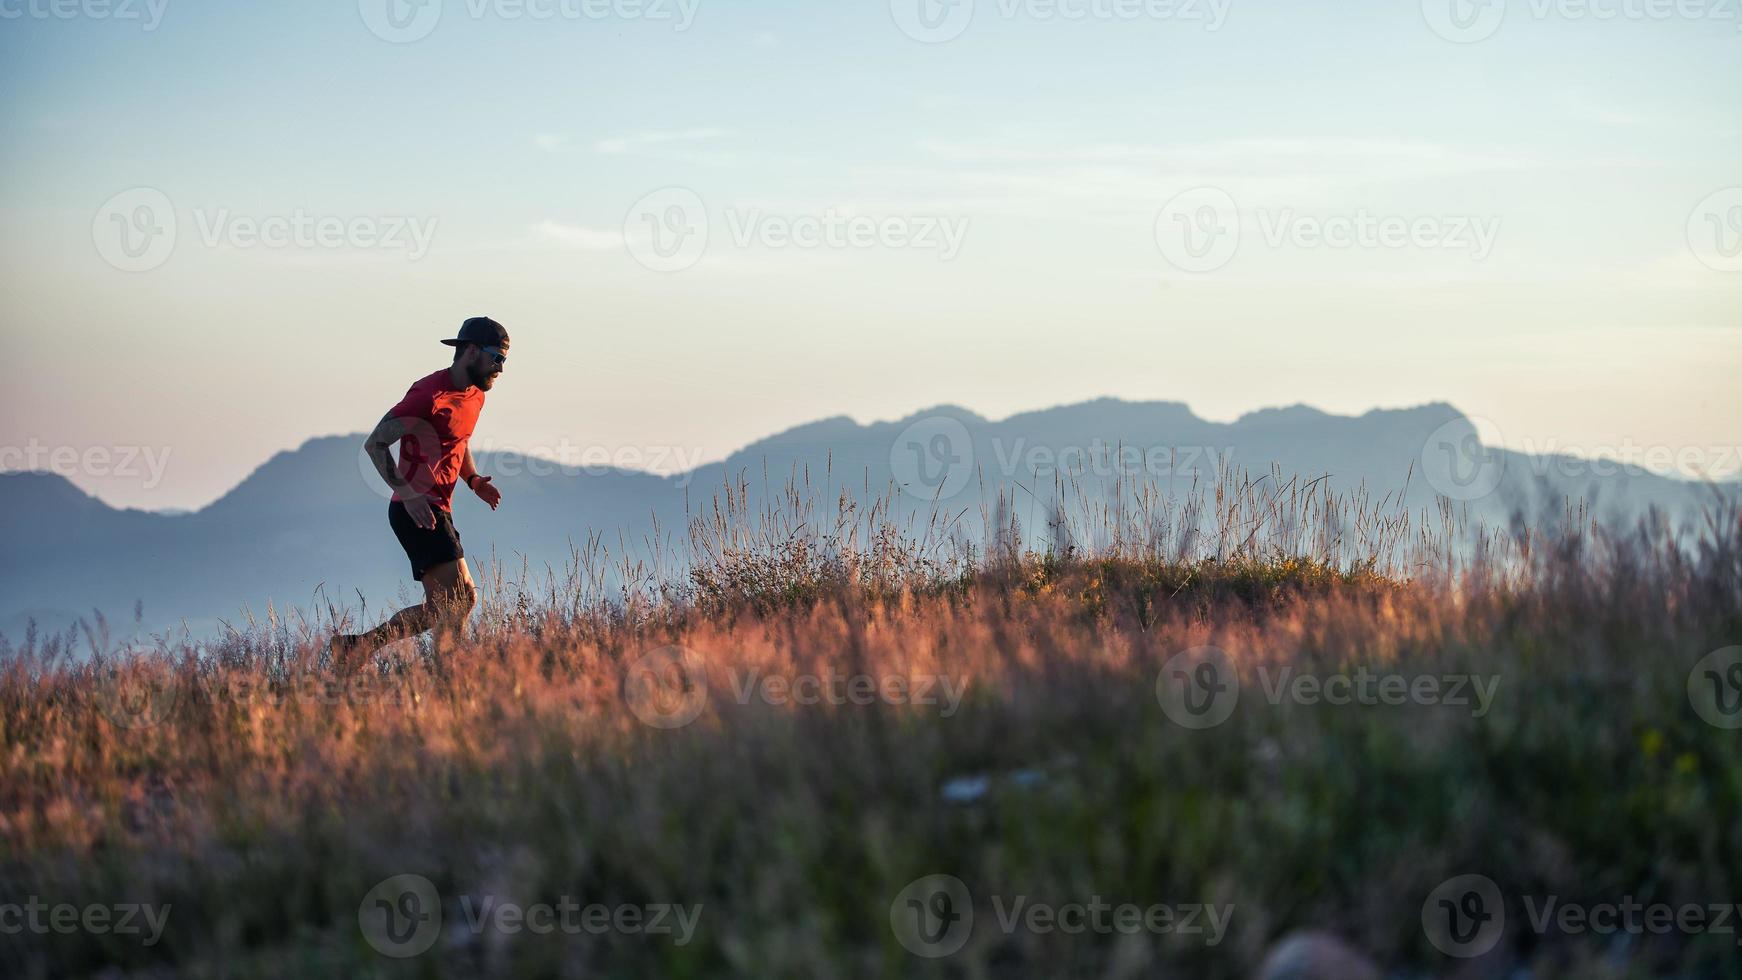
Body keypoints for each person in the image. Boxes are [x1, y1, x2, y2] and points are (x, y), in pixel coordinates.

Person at [331, 317, 509, 671]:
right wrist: (409, 494)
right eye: (496, 358)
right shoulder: (428, 395)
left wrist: (473, 480)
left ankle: (358, 648)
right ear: (471, 351)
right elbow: (376, 443)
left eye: (504, 360)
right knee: (460, 600)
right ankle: (449, 676)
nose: (500, 369)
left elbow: (458, 441)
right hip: (415, 509)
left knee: (445, 606)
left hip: (438, 507)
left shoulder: (475, 395)